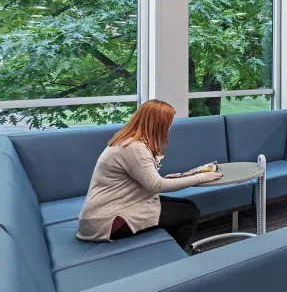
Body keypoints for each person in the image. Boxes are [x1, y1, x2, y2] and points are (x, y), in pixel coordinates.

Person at [77, 99, 222, 250]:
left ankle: (163, 248)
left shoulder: (129, 141)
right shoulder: (134, 148)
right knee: (191, 214)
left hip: (115, 206)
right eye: (168, 124)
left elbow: (143, 178)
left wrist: (167, 178)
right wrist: (201, 177)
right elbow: (156, 186)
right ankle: (170, 258)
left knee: (188, 205)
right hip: (107, 219)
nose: (169, 129)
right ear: (157, 124)